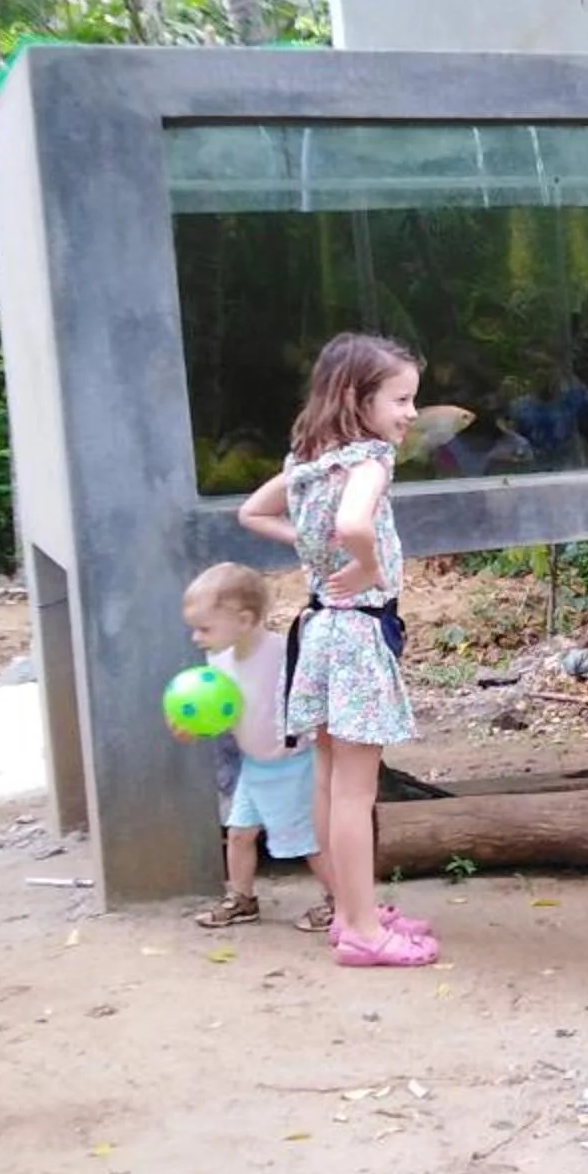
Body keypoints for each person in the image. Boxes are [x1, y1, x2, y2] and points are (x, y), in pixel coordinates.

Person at [238, 334, 440, 970]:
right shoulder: (369, 463)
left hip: (320, 629)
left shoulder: (312, 458)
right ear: (359, 398)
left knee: (328, 783)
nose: (410, 412)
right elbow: (355, 524)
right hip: (355, 634)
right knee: (356, 791)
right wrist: (367, 563)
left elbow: (252, 512)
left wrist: (314, 548)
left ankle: (350, 906)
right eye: (401, 399)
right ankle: (360, 929)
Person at [177, 562, 334, 934]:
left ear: (245, 620)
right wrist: (193, 729)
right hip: (255, 765)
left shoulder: (284, 654)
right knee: (238, 833)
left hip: (293, 765)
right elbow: (219, 715)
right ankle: (242, 899)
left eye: (205, 628)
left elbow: (313, 697)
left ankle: (339, 901)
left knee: (311, 842)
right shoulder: (217, 661)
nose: (197, 638)